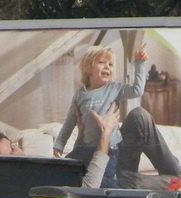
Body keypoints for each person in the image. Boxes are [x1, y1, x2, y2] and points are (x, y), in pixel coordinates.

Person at [53, 44, 148, 188]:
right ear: (87, 69)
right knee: (78, 174)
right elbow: (70, 121)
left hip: (111, 147)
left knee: (105, 178)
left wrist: (140, 63)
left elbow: (137, 90)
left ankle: (114, 187)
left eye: (110, 64)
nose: (107, 67)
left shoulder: (114, 88)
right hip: (86, 146)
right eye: (102, 62)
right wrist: (59, 144)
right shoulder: (80, 94)